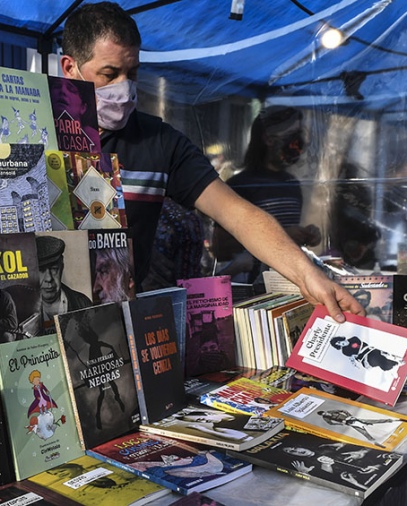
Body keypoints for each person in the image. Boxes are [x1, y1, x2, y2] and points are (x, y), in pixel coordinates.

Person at [60, 2, 363, 323]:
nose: (123, 87)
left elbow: (237, 213)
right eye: (109, 74)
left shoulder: (160, 141)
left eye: (132, 74)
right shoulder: (34, 127)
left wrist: (306, 274)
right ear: (69, 68)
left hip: (118, 324)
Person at [216, 106, 323, 282]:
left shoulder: (291, 183)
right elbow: (222, 248)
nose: (298, 141)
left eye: (300, 132)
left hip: (286, 278)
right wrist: (284, 235)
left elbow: (290, 236)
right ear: (268, 138)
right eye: (291, 133)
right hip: (252, 282)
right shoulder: (240, 185)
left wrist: (307, 235)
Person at [35, 235, 92, 325]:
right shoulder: (23, 310)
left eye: (54, 269)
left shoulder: (83, 303)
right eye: (41, 270)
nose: (49, 278)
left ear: (62, 267)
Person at [316, 409, 407, 448]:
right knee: (364, 433)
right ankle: (377, 444)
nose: (327, 414)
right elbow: (331, 424)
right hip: (349, 423)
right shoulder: (326, 418)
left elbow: (343, 411)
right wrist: (341, 424)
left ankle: (396, 420)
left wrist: (349, 416)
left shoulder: (331, 411)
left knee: (376, 421)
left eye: (325, 413)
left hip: (353, 419)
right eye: (324, 415)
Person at [329, 335, 402, 372]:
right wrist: (355, 365)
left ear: (340, 339)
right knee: (378, 361)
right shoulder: (344, 351)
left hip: (370, 351)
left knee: (381, 356)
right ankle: (395, 365)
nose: (339, 344)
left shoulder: (353, 338)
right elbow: (353, 357)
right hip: (365, 358)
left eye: (338, 341)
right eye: (337, 344)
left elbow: (362, 344)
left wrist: (361, 351)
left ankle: (395, 363)